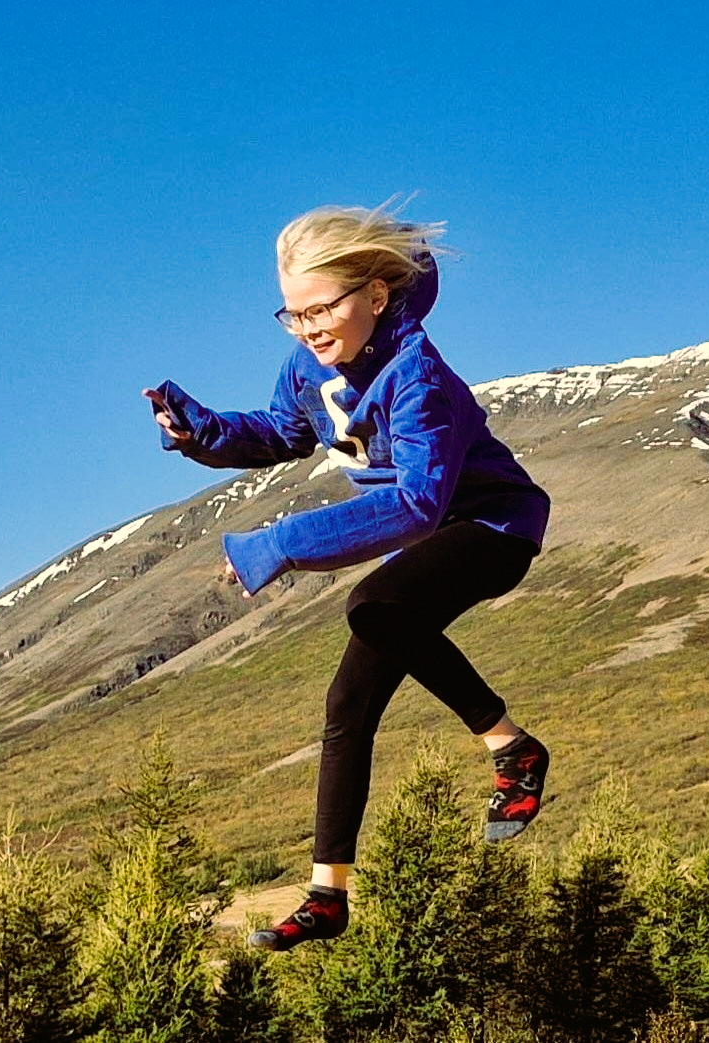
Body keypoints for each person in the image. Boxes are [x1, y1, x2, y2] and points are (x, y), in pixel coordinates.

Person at [143, 202, 551, 952]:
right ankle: (328, 895)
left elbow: (418, 505)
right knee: (349, 696)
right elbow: (282, 432)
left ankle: (510, 750)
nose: (307, 329)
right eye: (293, 315)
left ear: (376, 294)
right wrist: (200, 431)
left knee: (374, 601)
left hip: (494, 525)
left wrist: (281, 544)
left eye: (321, 309)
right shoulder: (309, 365)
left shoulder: (416, 376)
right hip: (431, 532)